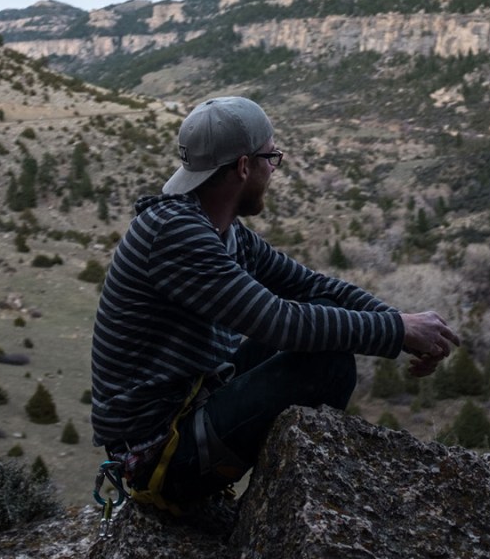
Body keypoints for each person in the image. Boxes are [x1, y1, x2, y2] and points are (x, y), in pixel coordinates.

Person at [91, 96, 460, 509]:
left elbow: (310, 286)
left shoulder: (221, 230)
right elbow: (278, 322)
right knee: (329, 364)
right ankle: (277, 507)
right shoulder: (176, 233)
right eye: (272, 157)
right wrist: (398, 331)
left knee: (323, 307)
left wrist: (401, 325)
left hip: (193, 410)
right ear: (244, 166)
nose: (273, 170)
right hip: (161, 455)